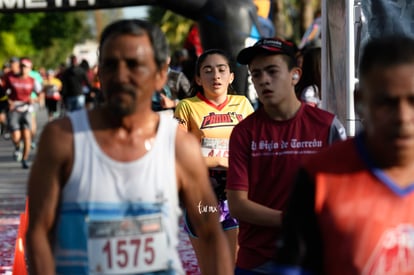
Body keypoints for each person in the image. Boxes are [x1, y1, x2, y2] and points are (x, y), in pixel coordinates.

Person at [25, 19, 233, 275]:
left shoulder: (178, 146)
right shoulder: (63, 139)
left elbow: (210, 232)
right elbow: (38, 232)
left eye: (135, 65)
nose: (121, 76)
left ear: (159, 76)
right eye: (111, 65)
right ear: (99, 74)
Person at [276, 34, 414, 275]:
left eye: (413, 101)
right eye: (387, 103)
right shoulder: (318, 177)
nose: (403, 117)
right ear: (359, 101)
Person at [226, 38, 347, 274]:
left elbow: (345, 193)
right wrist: (291, 220)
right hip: (258, 262)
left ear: (295, 75)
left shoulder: (327, 125)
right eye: (256, 74)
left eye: (272, 71)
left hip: (315, 258)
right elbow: (238, 205)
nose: (263, 81)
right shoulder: (243, 132)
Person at [174, 48, 254, 272]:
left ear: (231, 77)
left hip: (237, 193)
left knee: (233, 266)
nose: (215, 76)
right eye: (207, 71)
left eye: (221, 70)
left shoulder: (244, 105)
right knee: (210, 268)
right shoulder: (186, 107)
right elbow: (178, 154)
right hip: (202, 194)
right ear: (198, 78)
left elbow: (252, 149)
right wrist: (220, 161)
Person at [3, 58, 41, 169]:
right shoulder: (11, 78)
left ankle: (25, 160)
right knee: (16, 136)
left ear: (30, 69)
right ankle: (18, 146)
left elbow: (40, 94)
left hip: (27, 110)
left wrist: (34, 100)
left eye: (26, 67)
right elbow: (4, 93)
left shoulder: (33, 81)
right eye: (22, 66)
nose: (24, 69)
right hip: (14, 110)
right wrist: (8, 101)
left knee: (27, 136)